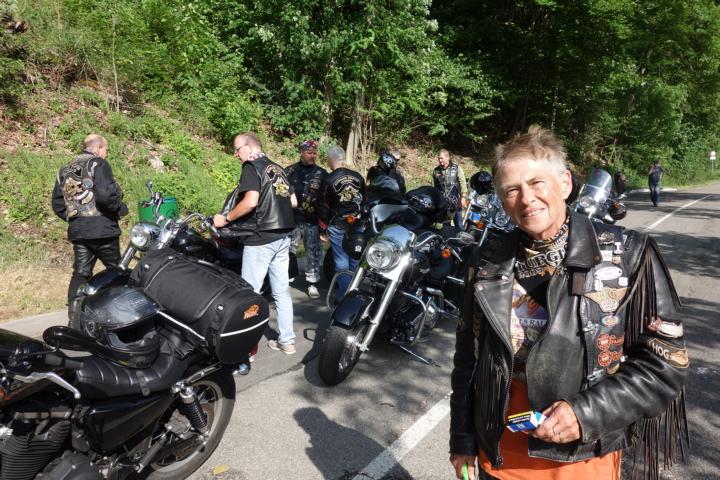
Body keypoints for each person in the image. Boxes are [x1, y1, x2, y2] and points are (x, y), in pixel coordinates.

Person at [449, 126, 688, 480]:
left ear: (564, 183)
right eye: (512, 190)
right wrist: (462, 440)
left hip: (582, 458)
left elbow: (666, 364)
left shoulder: (627, 255)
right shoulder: (486, 261)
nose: (526, 199)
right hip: (498, 454)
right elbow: (468, 359)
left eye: (537, 183)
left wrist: (584, 413)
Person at [214, 132, 299, 355]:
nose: (235, 154)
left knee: (248, 295)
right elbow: (293, 201)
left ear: (250, 148)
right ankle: (287, 341)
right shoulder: (277, 168)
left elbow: (250, 202)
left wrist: (226, 218)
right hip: (283, 237)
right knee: (281, 292)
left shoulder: (251, 167)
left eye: (237, 149)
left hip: (261, 238)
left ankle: (245, 350)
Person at [52, 134, 128, 311]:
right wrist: (120, 208)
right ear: (98, 148)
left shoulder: (64, 169)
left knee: (81, 273)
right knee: (117, 271)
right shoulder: (98, 164)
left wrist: (74, 218)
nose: (107, 154)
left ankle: (74, 315)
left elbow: (57, 203)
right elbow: (105, 196)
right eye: (106, 149)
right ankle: (121, 314)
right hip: (102, 229)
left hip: (79, 231)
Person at [320, 145, 366, 299]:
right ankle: (354, 293)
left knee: (341, 261)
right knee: (355, 258)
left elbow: (324, 206)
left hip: (337, 224)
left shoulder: (328, 180)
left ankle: (343, 297)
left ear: (330, 159)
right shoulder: (358, 176)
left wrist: (322, 228)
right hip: (356, 222)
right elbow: (364, 200)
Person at [285, 140, 327, 298]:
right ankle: (286, 279)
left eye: (315, 153)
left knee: (313, 252)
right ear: (301, 152)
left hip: (312, 219)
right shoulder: (289, 171)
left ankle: (312, 283)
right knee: (288, 250)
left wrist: (324, 223)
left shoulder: (322, 173)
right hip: (292, 219)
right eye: (309, 153)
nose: (313, 156)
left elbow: (326, 199)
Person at [432, 149, 468, 227]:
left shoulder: (457, 168)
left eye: (442, 158)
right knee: (445, 224)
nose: (440, 160)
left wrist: (463, 198)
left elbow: (463, 183)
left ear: (447, 157)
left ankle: (460, 235)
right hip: (443, 202)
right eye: (439, 158)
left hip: (455, 201)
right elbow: (435, 187)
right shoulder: (436, 171)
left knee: (459, 224)